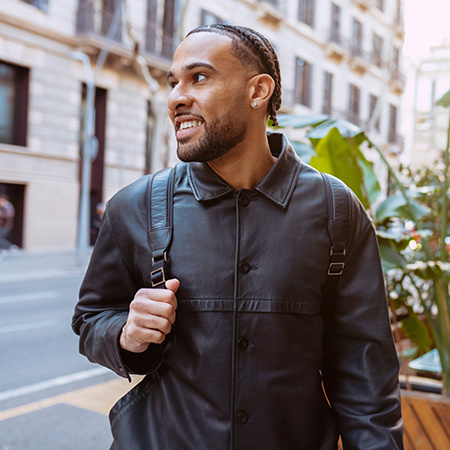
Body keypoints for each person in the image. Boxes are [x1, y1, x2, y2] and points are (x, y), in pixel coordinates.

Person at [72, 24, 403, 449]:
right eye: (174, 82)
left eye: (200, 77)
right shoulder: (133, 207)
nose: (177, 97)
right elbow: (90, 320)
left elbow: (366, 375)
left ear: (258, 91)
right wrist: (126, 332)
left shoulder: (336, 211)